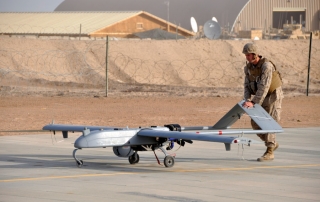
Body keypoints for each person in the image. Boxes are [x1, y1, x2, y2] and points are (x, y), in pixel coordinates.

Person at [241, 43, 284, 162]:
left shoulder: (267, 66)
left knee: (268, 122)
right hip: (260, 97)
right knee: (255, 124)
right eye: (246, 55)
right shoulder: (248, 68)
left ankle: (270, 151)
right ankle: (272, 142)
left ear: (255, 54)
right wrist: (247, 100)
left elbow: (264, 86)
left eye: (249, 55)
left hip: (273, 96)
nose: (247, 57)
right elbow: (246, 86)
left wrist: (254, 102)